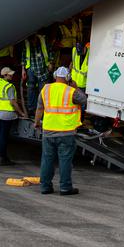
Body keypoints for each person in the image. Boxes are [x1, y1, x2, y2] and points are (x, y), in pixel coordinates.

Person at [35, 66, 85, 195]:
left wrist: (36, 123)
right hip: (66, 132)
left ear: (55, 76)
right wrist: (75, 87)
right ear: (68, 77)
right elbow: (84, 100)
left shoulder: (45, 89)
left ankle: (45, 187)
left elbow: (40, 108)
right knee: (65, 161)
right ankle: (65, 187)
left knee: (47, 160)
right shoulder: (71, 91)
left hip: (48, 131)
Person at [0, 66, 19, 166]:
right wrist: (20, 112)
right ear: (5, 75)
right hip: (7, 113)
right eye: (10, 74)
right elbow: (13, 102)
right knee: (4, 136)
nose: (12, 75)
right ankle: (3, 158)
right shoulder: (10, 87)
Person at [22, 34, 52, 114]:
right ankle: (32, 109)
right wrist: (23, 70)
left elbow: (49, 51)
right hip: (31, 70)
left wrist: (50, 63)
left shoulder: (43, 40)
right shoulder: (26, 43)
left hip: (43, 69)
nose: (33, 43)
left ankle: (43, 110)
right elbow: (23, 56)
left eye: (34, 41)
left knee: (43, 91)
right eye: (32, 41)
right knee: (31, 90)